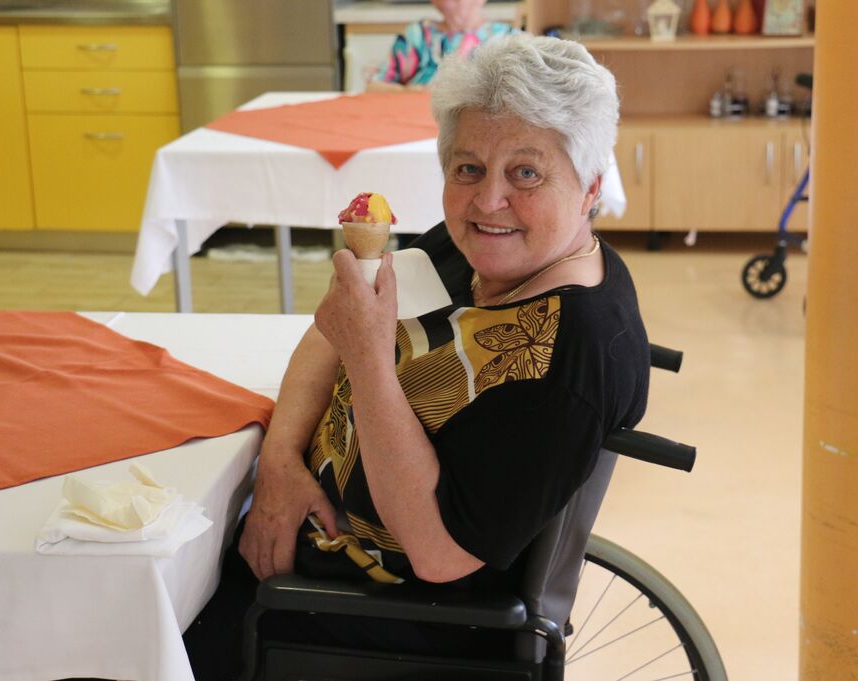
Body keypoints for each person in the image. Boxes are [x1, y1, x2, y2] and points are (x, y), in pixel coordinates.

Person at [183, 34, 650, 680]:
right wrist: (282, 464)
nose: (487, 201)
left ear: (590, 186)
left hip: (367, 616)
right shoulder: (480, 250)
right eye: (468, 168)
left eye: (526, 173)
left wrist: (370, 357)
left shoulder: (566, 357)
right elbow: (335, 328)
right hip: (291, 521)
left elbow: (438, 553)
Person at [368, 0, 517, 91]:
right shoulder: (419, 34)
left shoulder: (510, 39)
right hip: (411, 117)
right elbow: (375, 86)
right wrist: (411, 92)